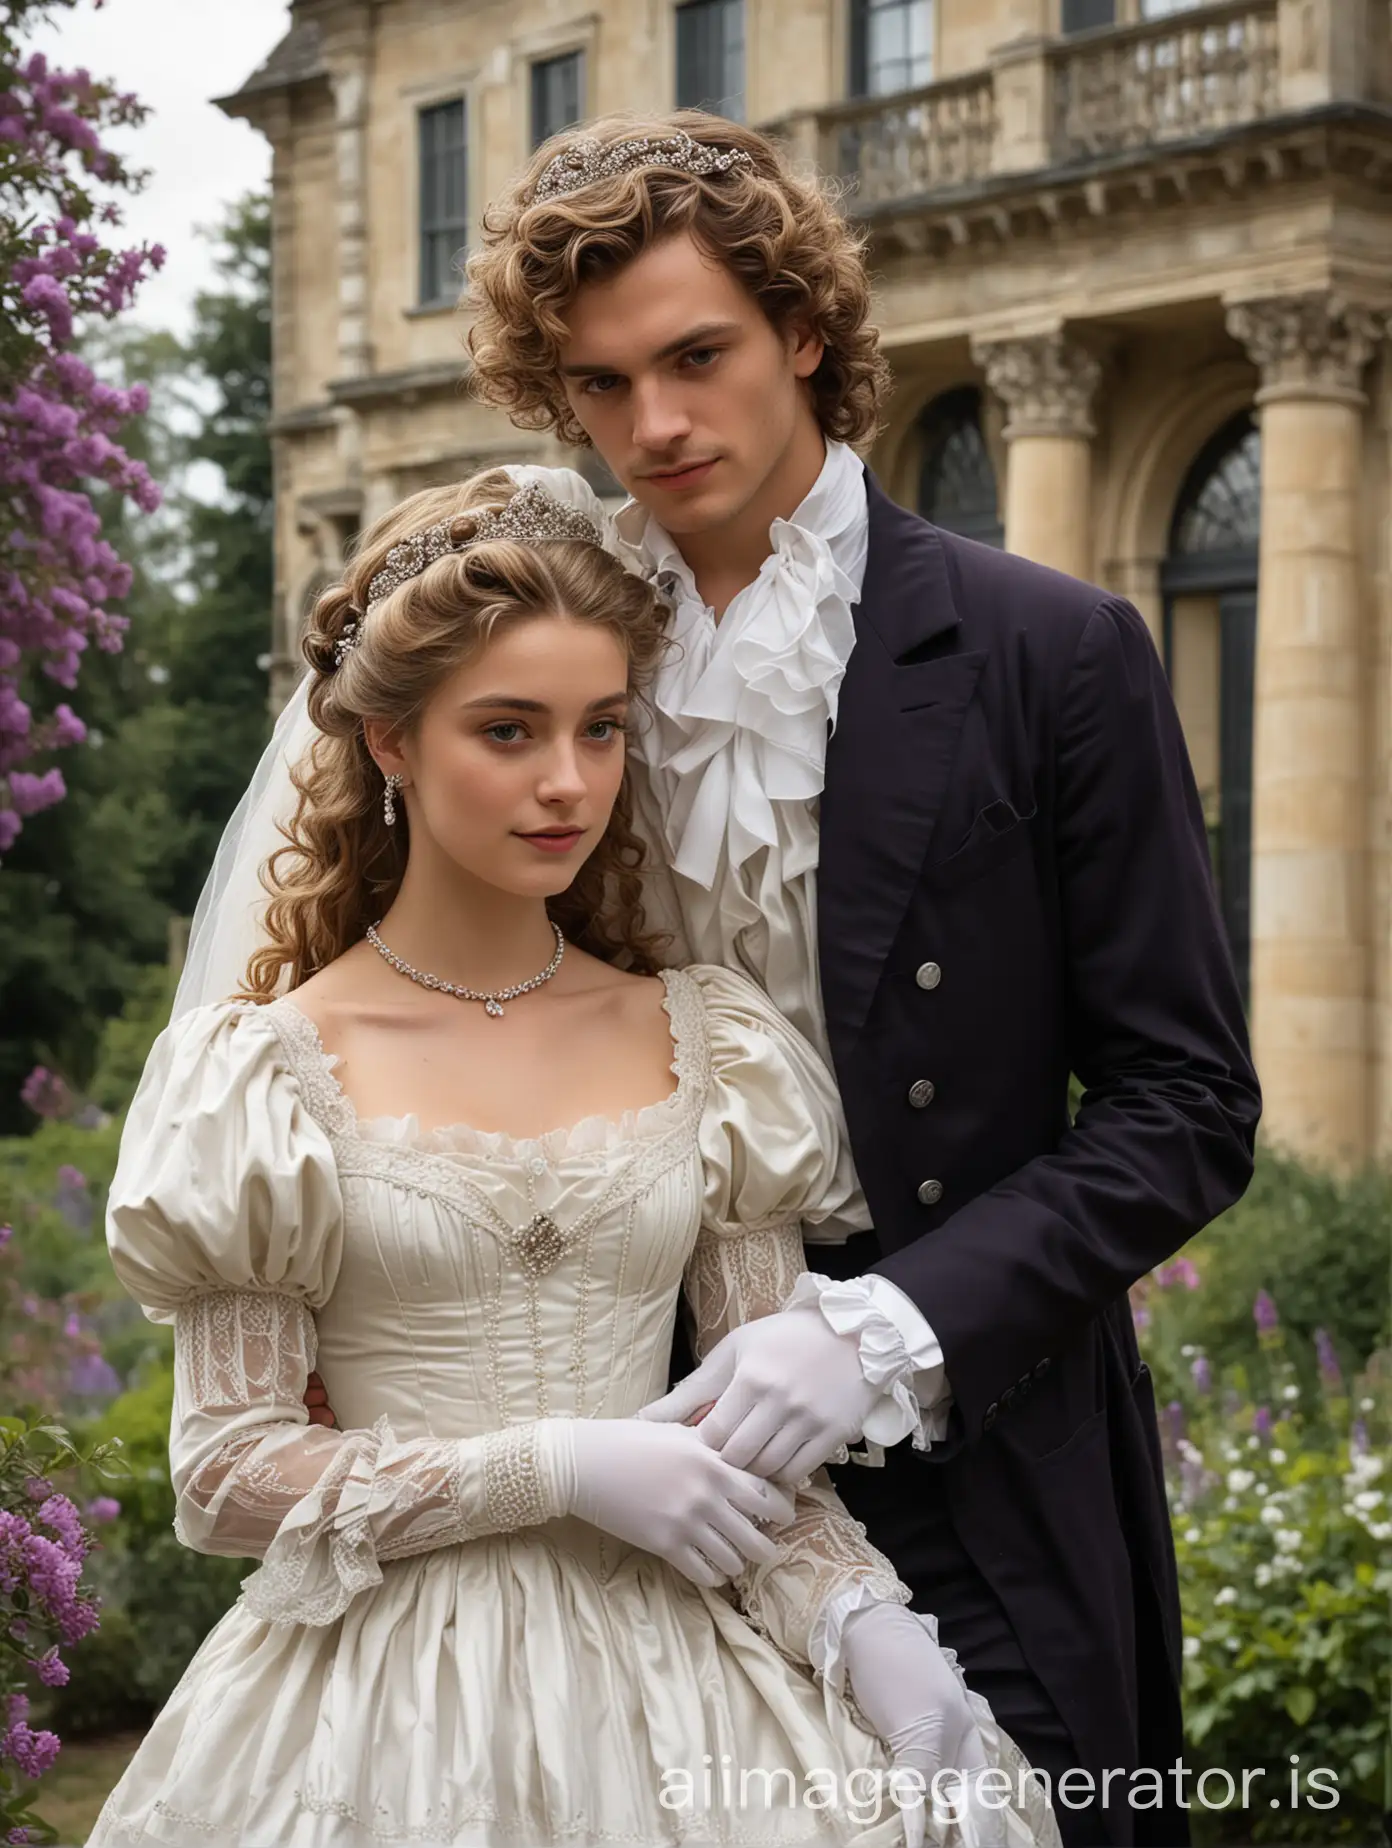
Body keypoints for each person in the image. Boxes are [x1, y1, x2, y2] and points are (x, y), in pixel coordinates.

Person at [450, 114, 1263, 1848]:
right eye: (598, 386)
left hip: (987, 1435)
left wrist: (893, 1329)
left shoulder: (1051, 652)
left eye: (697, 357)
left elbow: (1187, 1106)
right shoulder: (554, 662)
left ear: (806, 330)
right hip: (633, 1441)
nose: (654, 426)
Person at [89, 469, 1058, 1848]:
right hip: (376, 1713)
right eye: (509, 730)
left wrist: (865, 1628)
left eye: (603, 730)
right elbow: (231, 1473)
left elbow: (759, 1462)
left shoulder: (707, 1041)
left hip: (682, 1695)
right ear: (390, 743)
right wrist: (552, 1466)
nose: (568, 783)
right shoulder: (263, 1075)